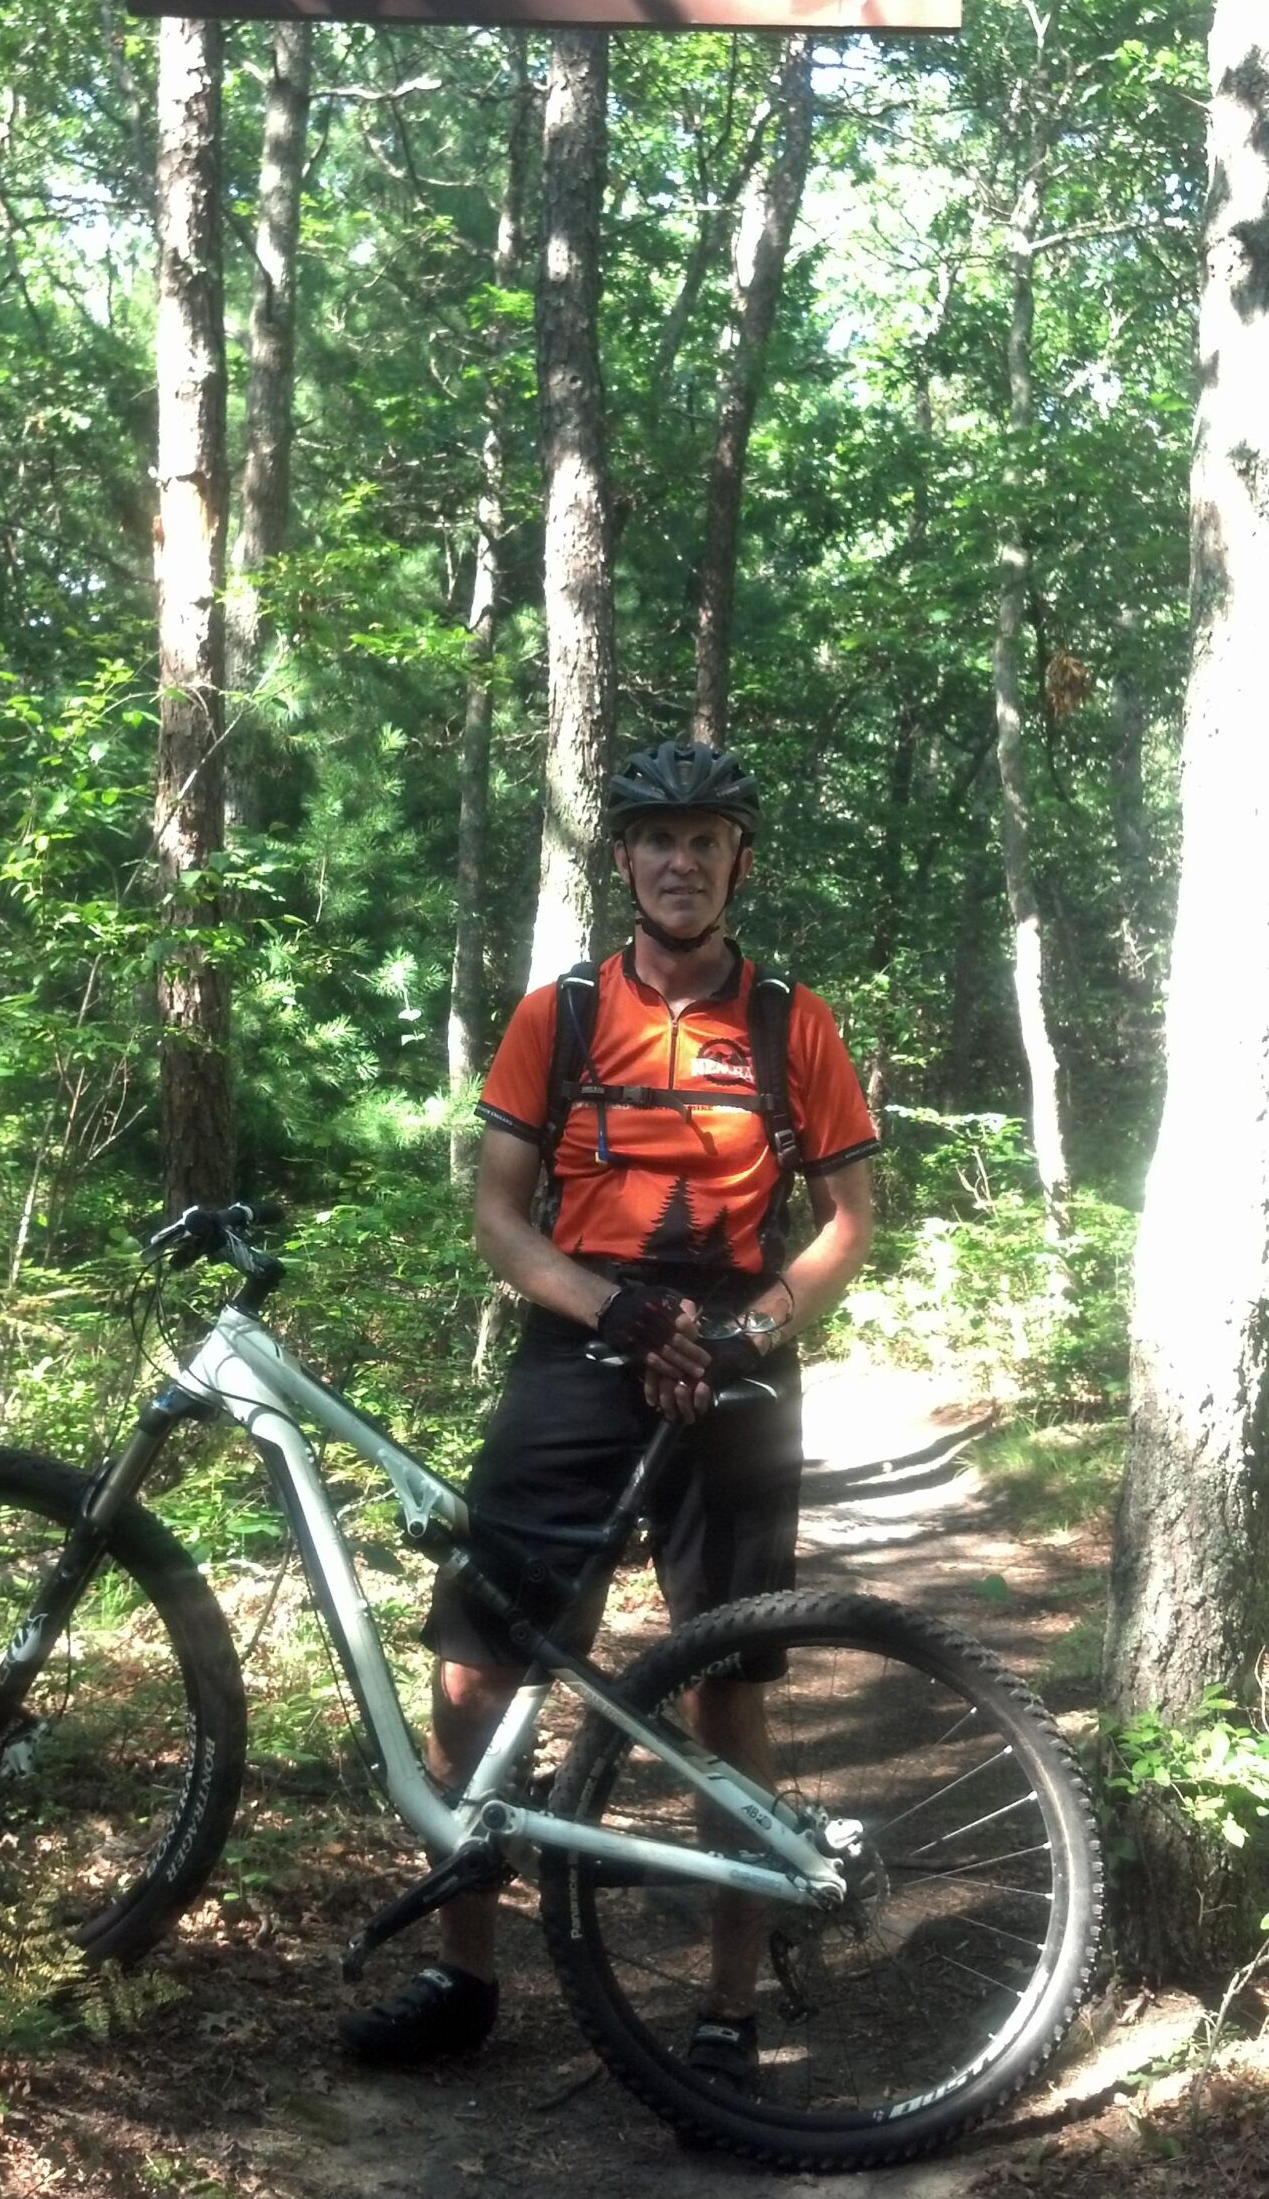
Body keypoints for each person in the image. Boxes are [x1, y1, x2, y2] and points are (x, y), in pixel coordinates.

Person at [342, 739, 877, 2076]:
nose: (681, 862)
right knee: (476, 1663)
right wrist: (619, 1313)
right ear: (625, 862)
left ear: (736, 862)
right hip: (579, 1339)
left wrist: (744, 1331)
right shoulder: (561, 1014)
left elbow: (849, 1220)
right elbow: (499, 1216)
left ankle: (728, 2006)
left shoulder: (792, 1019)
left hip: (739, 1351)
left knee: (726, 1677)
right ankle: (462, 1978)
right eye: (658, 841)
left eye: (706, 841)